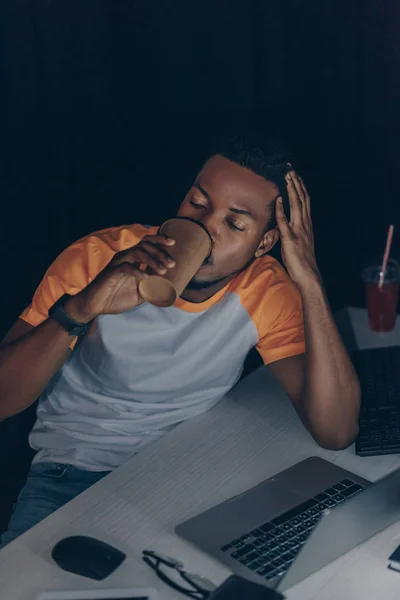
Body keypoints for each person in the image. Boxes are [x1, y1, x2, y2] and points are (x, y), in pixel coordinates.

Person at [0, 132, 360, 548]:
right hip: (73, 472)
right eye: (198, 202)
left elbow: (335, 432)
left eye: (234, 223)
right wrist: (80, 309)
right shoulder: (96, 259)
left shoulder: (266, 290)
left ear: (263, 243)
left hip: (189, 468)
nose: (205, 228)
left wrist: (309, 279)